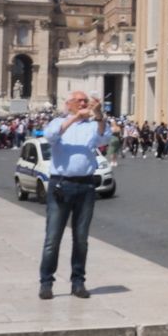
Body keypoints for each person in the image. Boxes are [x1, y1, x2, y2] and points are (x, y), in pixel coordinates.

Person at [38, 90, 112, 300]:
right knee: (53, 238)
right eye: (78, 100)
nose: (83, 103)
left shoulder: (92, 126)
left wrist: (98, 115)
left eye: (85, 100)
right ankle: (46, 282)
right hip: (61, 184)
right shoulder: (58, 122)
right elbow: (50, 136)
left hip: (86, 186)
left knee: (81, 239)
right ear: (68, 104)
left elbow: (104, 137)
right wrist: (74, 119)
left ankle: (78, 282)